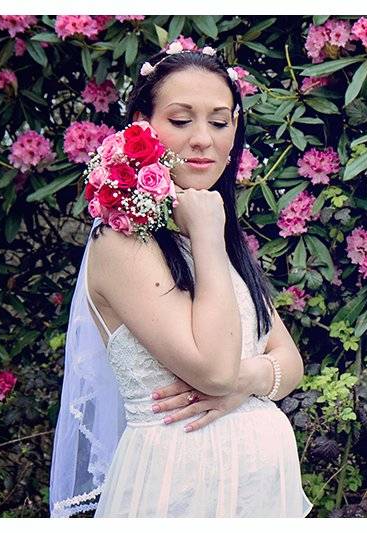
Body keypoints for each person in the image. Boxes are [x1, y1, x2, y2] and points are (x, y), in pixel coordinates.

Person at [49, 46, 313, 517]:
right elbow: (212, 369)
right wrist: (209, 235)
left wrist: (244, 381)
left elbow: (288, 361)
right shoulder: (123, 242)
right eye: (180, 120)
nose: (202, 140)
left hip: (258, 492)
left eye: (219, 121)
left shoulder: (204, 231)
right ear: (141, 126)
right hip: (179, 487)